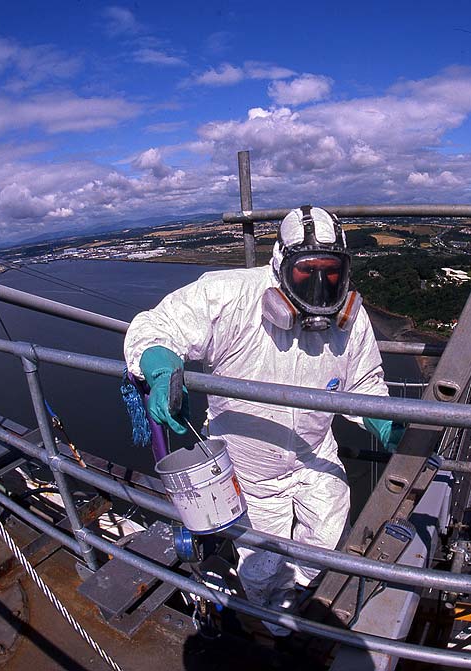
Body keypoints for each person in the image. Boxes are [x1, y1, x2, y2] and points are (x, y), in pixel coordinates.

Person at [124, 205, 403, 634]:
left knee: (326, 541)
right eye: (305, 271)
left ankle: (303, 598)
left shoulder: (350, 320)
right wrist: (161, 366)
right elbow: (157, 325)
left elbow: (362, 380)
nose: (318, 286)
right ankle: (271, 624)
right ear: (279, 266)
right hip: (249, 470)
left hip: (316, 457)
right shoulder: (230, 297)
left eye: (331, 272)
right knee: (261, 564)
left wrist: (384, 420)